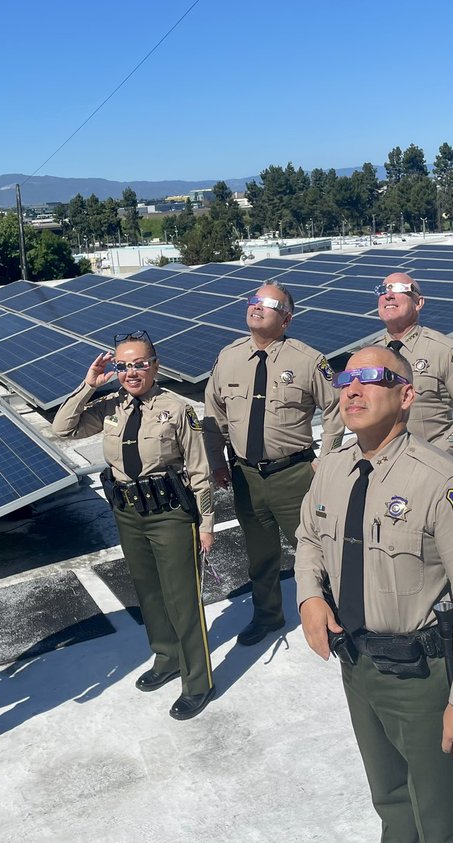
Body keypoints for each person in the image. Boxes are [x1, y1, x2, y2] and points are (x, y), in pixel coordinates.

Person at [295, 344, 453, 843]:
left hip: (420, 673)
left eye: (372, 379)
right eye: (346, 380)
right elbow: (309, 540)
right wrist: (309, 598)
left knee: (441, 806)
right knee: (386, 781)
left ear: (406, 396)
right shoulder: (332, 470)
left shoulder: (444, 482)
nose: (353, 390)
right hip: (356, 659)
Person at [53, 332, 217, 720]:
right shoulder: (111, 406)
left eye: (139, 364)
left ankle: (198, 681)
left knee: (183, 599)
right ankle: (167, 657)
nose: (131, 372)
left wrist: (206, 524)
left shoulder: (177, 409)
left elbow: (200, 471)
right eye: (123, 366)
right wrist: (88, 385)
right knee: (148, 592)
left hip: (171, 515)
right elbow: (62, 429)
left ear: (155, 365)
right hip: (128, 513)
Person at [203, 280, 343, 645]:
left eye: (268, 302)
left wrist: (326, 460)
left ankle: (334, 619)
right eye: (253, 299)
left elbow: (336, 408)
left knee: (315, 552)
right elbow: (213, 414)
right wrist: (217, 461)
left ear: (286, 319)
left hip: (294, 475)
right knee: (259, 555)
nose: (257, 305)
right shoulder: (228, 356)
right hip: (245, 476)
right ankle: (268, 616)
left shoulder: (308, 360)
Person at [375, 272, 453, 466]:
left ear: (419, 303)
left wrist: (440, 452)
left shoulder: (445, 351)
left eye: (400, 289)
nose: (389, 295)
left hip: (432, 468)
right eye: (383, 290)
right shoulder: (370, 354)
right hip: (382, 464)